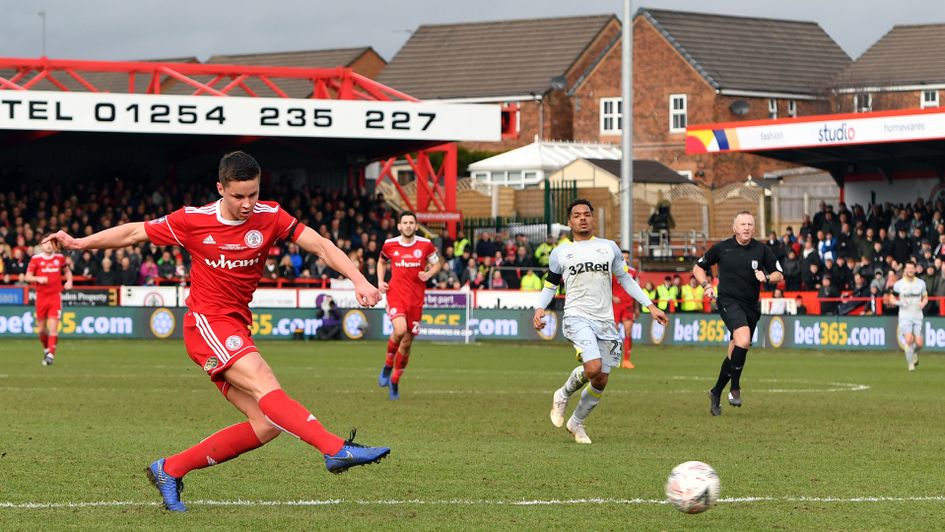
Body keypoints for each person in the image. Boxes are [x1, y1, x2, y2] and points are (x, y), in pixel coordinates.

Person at [43, 151, 390, 513]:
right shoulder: (192, 220)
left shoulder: (270, 216)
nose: (247, 204)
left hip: (235, 325)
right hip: (205, 324)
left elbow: (319, 244)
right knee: (263, 380)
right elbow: (134, 232)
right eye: (238, 196)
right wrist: (79, 243)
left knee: (267, 424)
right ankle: (334, 449)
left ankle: (170, 469)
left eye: (253, 195)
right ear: (220, 188)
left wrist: (359, 280)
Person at [533, 199, 668, 444]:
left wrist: (650, 305)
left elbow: (625, 280)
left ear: (593, 219)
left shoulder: (609, 248)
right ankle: (562, 395)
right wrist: (540, 308)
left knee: (601, 378)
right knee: (593, 366)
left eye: (587, 214)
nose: (582, 218)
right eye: (577, 215)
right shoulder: (560, 252)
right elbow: (551, 285)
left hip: (605, 320)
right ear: (570, 221)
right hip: (576, 316)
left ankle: (577, 423)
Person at [693, 211, 783, 416]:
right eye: (742, 224)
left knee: (736, 349)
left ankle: (716, 392)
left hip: (751, 306)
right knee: (743, 339)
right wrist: (706, 285)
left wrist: (766, 277)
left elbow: (779, 273)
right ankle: (735, 388)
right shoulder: (721, 248)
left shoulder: (762, 250)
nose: (746, 227)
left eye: (750, 224)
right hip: (727, 301)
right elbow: (698, 268)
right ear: (734, 228)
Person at [376, 211, 441, 400]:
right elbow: (381, 262)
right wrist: (380, 281)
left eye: (411, 222)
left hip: (416, 299)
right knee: (400, 330)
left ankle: (395, 380)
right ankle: (388, 364)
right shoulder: (389, 245)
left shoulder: (425, 245)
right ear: (399, 226)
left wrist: (428, 274)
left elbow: (437, 264)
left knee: (406, 342)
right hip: (396, 295)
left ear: (416, 225)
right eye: (404, 222)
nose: (408, 225)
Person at [24, 239, 73, 366]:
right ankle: (46, 349)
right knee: (41, 330)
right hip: (41, 297)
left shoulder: (60, 258)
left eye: (51, 244)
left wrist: (69, 281)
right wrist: (38, 278)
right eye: (46, 243)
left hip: (55, 297)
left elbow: (67, 271)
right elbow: (27, 277)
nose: (49, 246)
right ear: (41, 245)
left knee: (53, 328)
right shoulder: (36, 259)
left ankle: (51, 354)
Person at [888, 261, 928, 371]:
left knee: (919, 343)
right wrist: (899, 303)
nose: (910, 270)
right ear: (905, 269)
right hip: (905, 316)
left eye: (912, 268)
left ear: (915, 269)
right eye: (908, 268)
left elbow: (925, 297)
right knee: (909, 339)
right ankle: (910, 365)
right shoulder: (899, 284)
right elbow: (891, 298)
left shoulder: (921, 283)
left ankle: (913, 352)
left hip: (918, 315)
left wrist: (923, 303)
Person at [610, 249, 639, 368]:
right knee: (613, 332)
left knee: (628, 331)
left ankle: (626, 360)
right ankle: (613, 358)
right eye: (624, 257)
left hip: (628, 305)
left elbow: (637, 290)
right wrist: (612, 297)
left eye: (627, 258)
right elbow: (605, 287)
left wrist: (637, 308)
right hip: (615, 305)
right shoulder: (612, 271)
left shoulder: (633, 272)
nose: (626, 260)